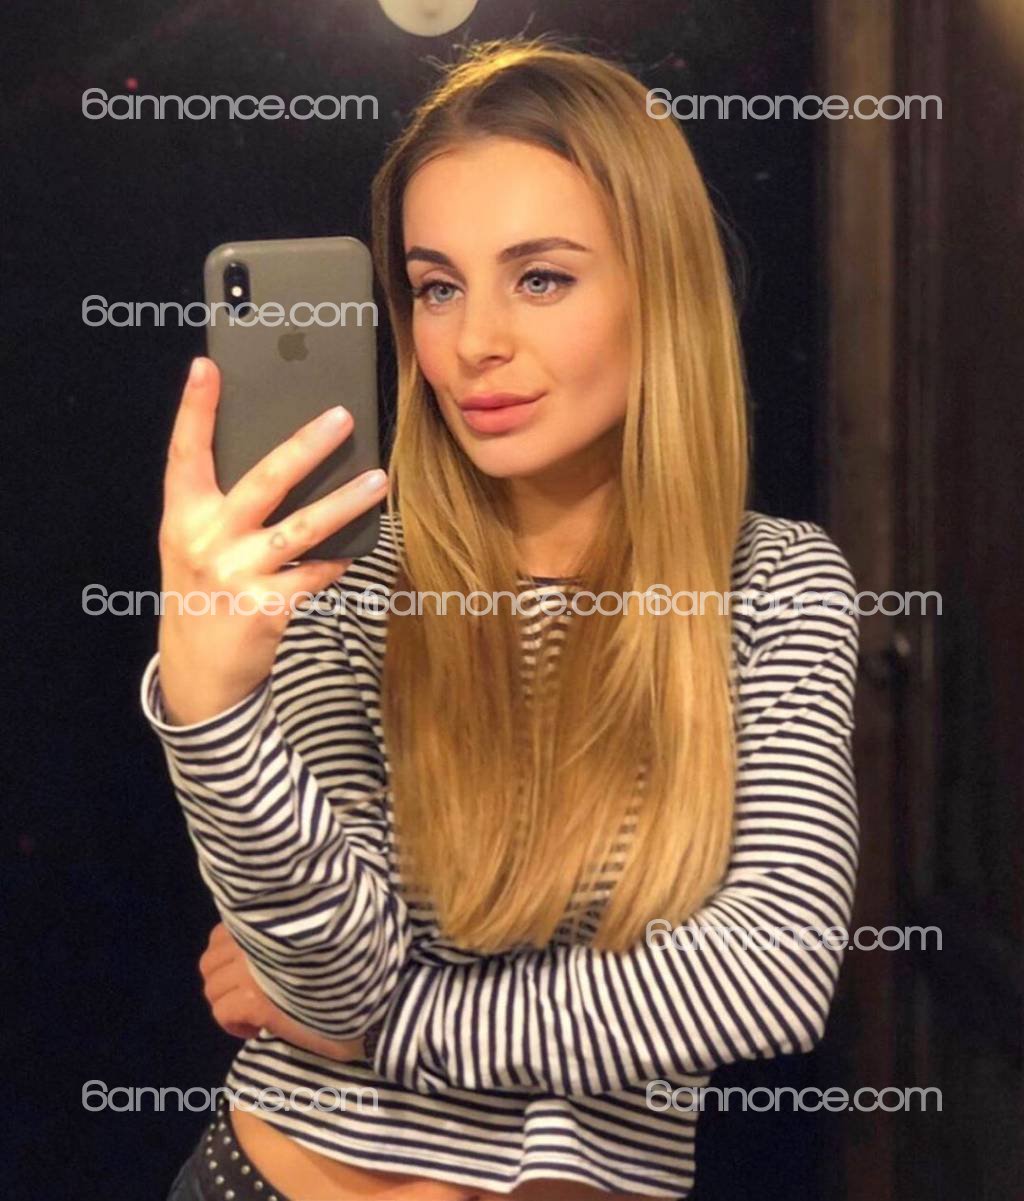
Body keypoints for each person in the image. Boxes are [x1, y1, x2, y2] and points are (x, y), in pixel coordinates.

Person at [144, 36, 860, 1201]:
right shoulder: (348, 579)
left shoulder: (775, 583)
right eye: (437, 287)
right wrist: (208, 703)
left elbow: (765, 974)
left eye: (541, 278)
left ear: (661, 288)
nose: (474, 342)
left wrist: (393, 1025)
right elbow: (329, 978)